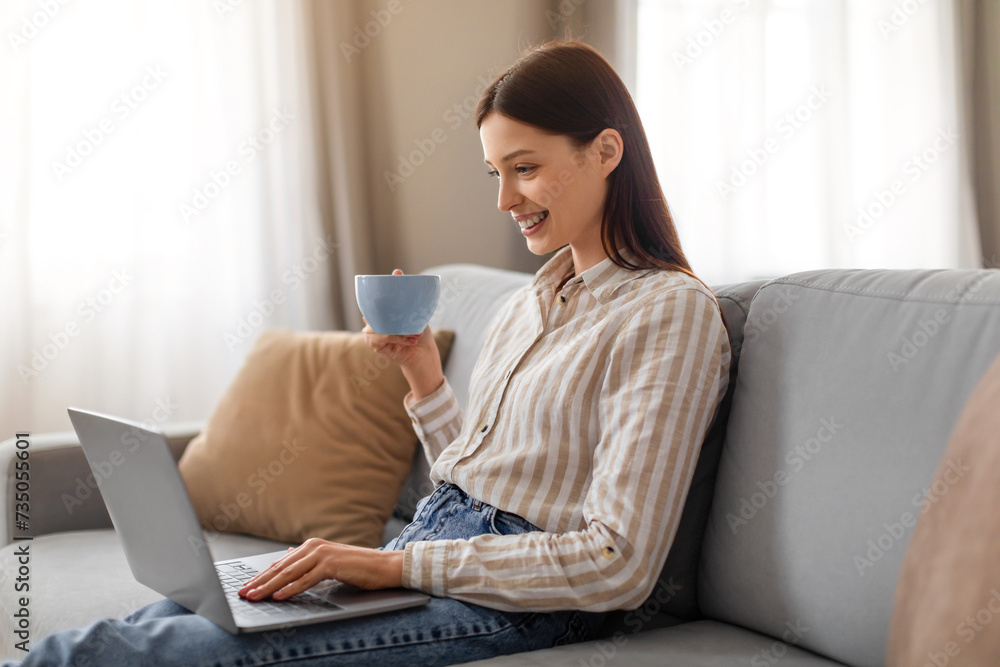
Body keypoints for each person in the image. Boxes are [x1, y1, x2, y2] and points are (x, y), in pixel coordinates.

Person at [8, 40, 731, 666]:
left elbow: (617, 562)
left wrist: (394, 562)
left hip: (527, 599)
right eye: (494, 173)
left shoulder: (667, 311)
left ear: (606, 150)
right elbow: (476, 476)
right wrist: (422, 375)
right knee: (153, 622)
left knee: (123, 656)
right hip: (441, 541)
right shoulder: (532, 301)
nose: (505, 198)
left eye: (525, 168)